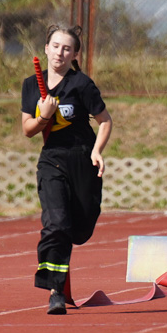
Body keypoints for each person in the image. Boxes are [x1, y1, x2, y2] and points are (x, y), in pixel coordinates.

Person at [21, 24, 113, 315]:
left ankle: (59, 272)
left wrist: (97, 151)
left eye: (67, 48)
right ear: (46, 48)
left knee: (80, 228)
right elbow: (27, 130)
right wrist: (43, 117)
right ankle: (55, 291)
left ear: (75, 54)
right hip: (52, 161)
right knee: (56, 225)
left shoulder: (82, 84)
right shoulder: (30, 85)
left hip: (82, 159)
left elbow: (105, 121)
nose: (60, 52)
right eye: (55, 46)